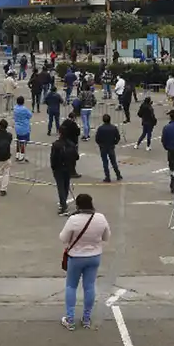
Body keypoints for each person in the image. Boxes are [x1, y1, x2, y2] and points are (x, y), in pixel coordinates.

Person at [58, 193, 111, 331]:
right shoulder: (100, 218)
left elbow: (63, 238)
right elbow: (106, 237)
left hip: (76, 257)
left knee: (71, 286)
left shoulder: (73, 219)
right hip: (94, 256)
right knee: (89, 286)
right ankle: (86, 318)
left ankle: (70, 319)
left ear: (78, 205)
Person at [51, 125, 79, 216]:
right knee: (66, 186)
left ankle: (63, 206)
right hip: (68, 168)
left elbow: (53, 157)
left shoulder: (56, 144)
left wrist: (53, 167)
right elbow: (76, 156)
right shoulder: (71, 144)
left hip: (59, 168)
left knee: (60, 187)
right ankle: (63, 202)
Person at [95, 114, 122, 182]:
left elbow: (97, 138)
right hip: (111, 146)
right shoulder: (113, 128)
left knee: (105, 162)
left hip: (103, 147)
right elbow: (118, 137)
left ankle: (107, 177)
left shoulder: (100, 128)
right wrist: (114, 142)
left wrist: (100, 144)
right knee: (113, 162)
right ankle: (118, 175)